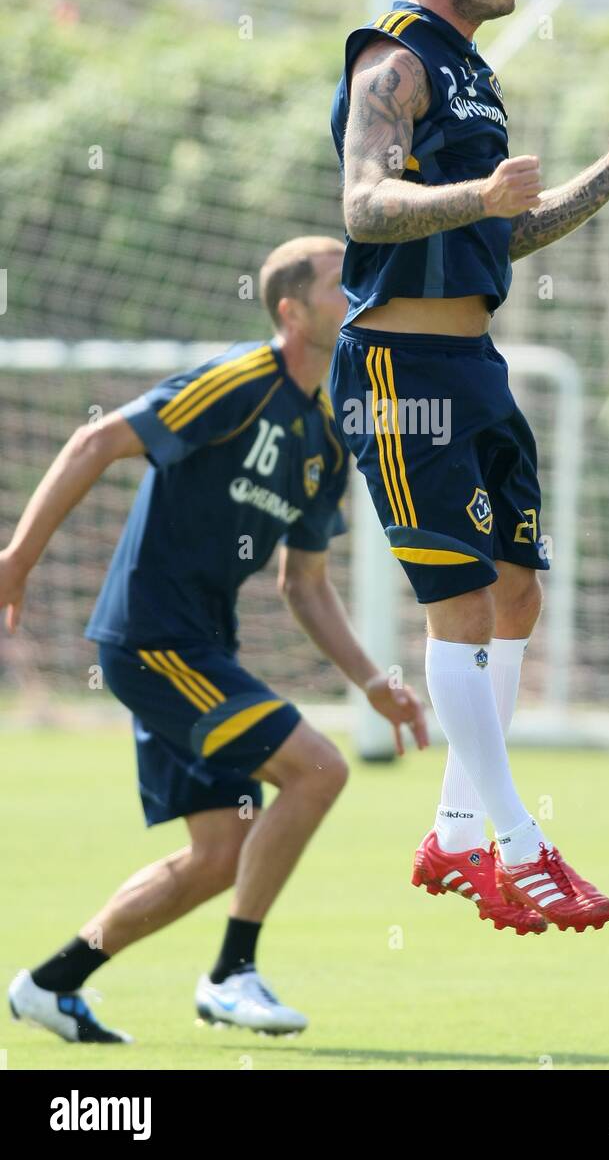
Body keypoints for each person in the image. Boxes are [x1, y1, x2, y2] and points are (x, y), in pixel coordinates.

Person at [329, 0, 609, 935]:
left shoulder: (472, 75)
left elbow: (501, 229)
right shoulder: (391, 62)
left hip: (474, 369)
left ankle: (452, 831)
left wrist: (607, 175)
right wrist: (471, 193)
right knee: (455, 609)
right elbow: (363, 206)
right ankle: (516, 840)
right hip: (402, 375)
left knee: (516, 596)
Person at [3, 234, 427, 1043]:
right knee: (318, 769)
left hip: (200, 644)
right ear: (291, 311)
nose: (360, 294)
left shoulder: (329, 433)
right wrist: (17, 561)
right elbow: (98, 441)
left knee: (220, 852)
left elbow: (302, 584)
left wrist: (373, 682)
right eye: (343, 283)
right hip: (152, 640)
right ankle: (233, 975)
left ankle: (50, 985)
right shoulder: (239, 382)